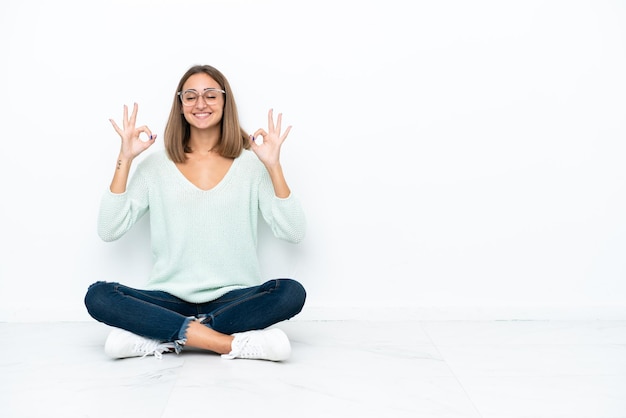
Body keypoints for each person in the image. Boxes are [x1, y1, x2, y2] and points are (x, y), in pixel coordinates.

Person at [84, 64, 306, 362]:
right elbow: (109, 229)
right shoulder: (154, 167)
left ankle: (162, 334)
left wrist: (274, 166)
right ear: (180, 105)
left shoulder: (252, 165)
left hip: (233, 298)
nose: (201, 104)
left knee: (291, 292)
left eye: (211, 95)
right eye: (190, 96)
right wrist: (124, 158)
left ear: (225, 102)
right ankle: (227, 343)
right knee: (98, 295)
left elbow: (293, 231)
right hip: (168, 298)